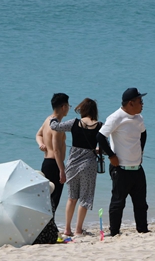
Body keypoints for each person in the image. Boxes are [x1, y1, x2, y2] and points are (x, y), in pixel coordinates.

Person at [50, 98, 115, 237]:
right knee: (85, 199)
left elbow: (55, 127)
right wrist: (97, 150)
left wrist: (54, 117)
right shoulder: (100, 126)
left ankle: (67, 229)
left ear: (82, 110)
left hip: (72, 164)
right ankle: (78, 230)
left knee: (71, 197)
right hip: (88, 165)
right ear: (94, 111)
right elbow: (105, 148)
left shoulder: (74, 123)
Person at [100, 88, 149, 236]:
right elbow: (100, 137)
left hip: (137, 167)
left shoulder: (139, 118)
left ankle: (143, 229)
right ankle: (114, 232)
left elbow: (143, 134)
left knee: (141, 203)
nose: (142, 104)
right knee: (118, 202)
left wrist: (141, 151)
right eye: (140, 101)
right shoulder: (116, 117)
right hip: (120, 168)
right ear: (130, 103)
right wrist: (111, 155)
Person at [36, 93, 69, 213]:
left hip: (46, 163)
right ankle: (50, 223)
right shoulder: (57, 126)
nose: (68, 108)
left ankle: (46, 222)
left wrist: (41, 144)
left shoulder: (48, 120)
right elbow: (56, 150)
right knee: (54, 198)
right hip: (55, 164)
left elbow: (38, 134)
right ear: (63, 107)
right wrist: (62, 170)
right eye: (68, 106)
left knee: (47, 198)